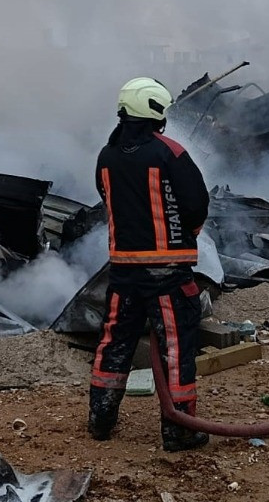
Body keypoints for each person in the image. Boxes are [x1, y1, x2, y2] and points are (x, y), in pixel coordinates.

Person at [88, 77, 210, 452]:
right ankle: (179, 429)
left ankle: (101, 420)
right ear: (155, 110)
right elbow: (196, 205)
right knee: (175, 349)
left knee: (114, 343)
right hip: (168, 275)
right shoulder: (168, 153)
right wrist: (182, 237)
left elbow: (104, 198)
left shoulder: (106, 156)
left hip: (123, 272)